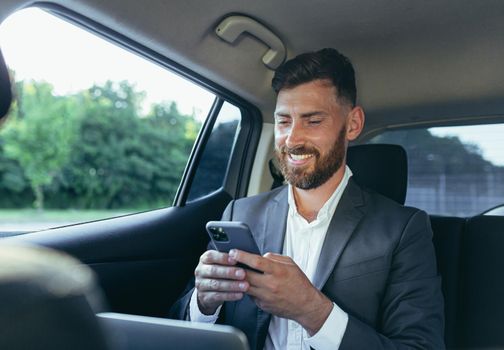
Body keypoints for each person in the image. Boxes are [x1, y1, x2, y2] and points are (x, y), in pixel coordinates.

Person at [171, 48, 444, 349]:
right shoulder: (240, 213)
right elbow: (179, 325)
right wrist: (203, 304)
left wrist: (313, 310)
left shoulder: (403, 229)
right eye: (284, 121)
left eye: (313, 121)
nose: (292, 139)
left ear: (352, 124)